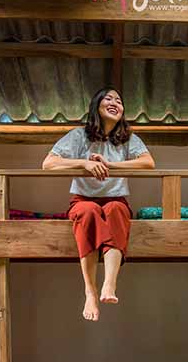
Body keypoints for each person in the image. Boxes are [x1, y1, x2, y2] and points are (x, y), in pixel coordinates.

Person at [42, 87, 155, 321]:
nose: (115, 103)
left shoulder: (127, 138)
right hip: (83, 200)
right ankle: (90, 291)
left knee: (115, 210)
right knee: (88, 211)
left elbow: (148, 163)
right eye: (108, 98)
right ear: (96, 105)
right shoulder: (78, 135)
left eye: (119, 101)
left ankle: (109, 284)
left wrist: (111, 165)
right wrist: (84, 163)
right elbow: (48, 163)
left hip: (115, 199)